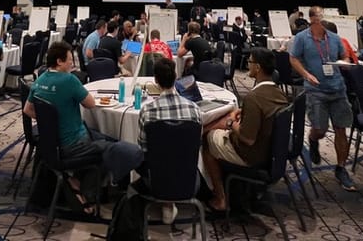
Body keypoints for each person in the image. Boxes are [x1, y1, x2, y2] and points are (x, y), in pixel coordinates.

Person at [24, 42, 142, 211]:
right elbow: (91, 104)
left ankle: (80, 179)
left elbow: (27, 110)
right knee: (121, 148)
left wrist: (50, 122)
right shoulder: (69, 80)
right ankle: (94, 189)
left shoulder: (39, 80)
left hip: (52, 145)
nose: (72, 63)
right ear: (59, 61)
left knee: (105, 137)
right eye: (69, 60)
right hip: (74, 144)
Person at [203, 47, 289, 210]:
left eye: (250, 62)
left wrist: (230, 123)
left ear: (258, 68)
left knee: (208, 138)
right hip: (271, 153)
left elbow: (247, 139)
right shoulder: (279, 93)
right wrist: (244, 113)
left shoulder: (253, 98)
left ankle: (220, 197)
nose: (248, 65)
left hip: (251, 155)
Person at [290, 6, 357, 191]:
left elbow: (344, 56)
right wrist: (305, 74)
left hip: (338, 89)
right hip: (315, 90)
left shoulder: (335, 39)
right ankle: (313, 140)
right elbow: (293, 58)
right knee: (319, 129)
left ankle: (341, 168)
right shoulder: (302, 38)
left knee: (340, 129)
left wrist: (345, 63)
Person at [138, 56, 202, 224]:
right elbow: (196, 147)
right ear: (176, 76)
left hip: (156, 180)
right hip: (188, 180)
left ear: (155, 81)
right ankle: (170, 203)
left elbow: (144, 149)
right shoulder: (194, 110)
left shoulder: (147, 111)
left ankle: (166, 202)